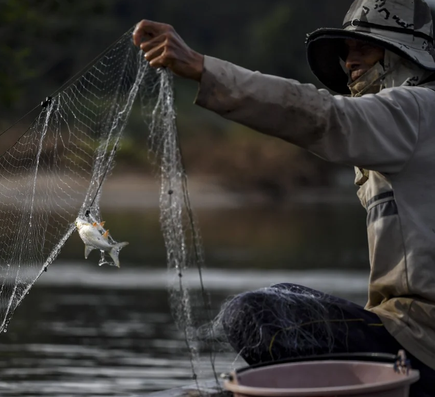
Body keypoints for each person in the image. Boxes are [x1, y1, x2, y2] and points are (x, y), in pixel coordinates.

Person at [133, 0, 435, 396]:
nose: (349, 62)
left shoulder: (419, 108)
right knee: (280, 305)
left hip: (420, 343)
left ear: (407, 55)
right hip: (404, 336)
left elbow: (326, 116)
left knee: (257, 315)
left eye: (365, 49)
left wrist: (202, 68)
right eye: (346, 52)